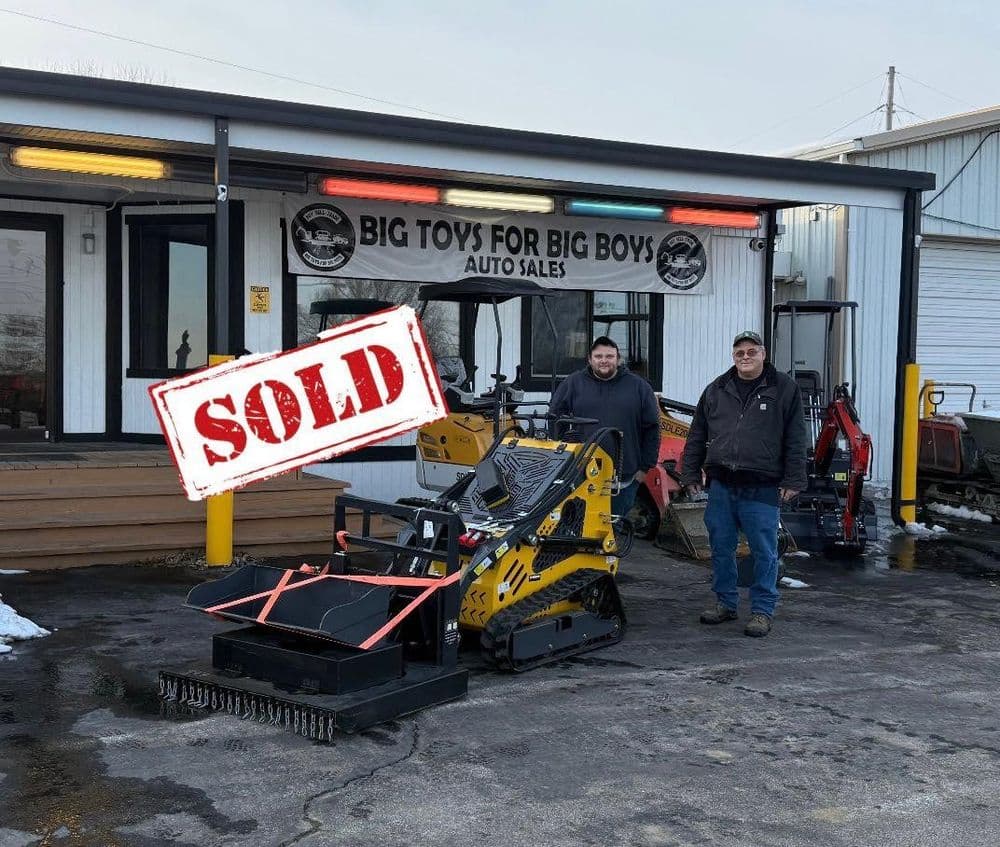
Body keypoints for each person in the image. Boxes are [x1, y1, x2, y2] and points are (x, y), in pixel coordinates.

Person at [680, 330, 807, 637]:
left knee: (764, 551)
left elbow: (796, 438)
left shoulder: (784, 389)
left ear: (763, 354)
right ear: (733, 357)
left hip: (762, 486)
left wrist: (793, 478)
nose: (746, 357)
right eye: (740, 353)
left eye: (752, 351)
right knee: (721, 548)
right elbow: (697, 433)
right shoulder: (717, 389)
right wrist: (690, 473)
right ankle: (725, 602)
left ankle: (763, 611)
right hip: (722, 485)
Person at [550, 336, 660, 518]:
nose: (603, 360)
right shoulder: (574, 383)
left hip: (623, 477)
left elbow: (652, 428)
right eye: (598, 356)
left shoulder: (639, 387)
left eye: (609, 356)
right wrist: (561, 451)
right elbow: (554, 417)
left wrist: (644, 469)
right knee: (579, 528)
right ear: (590, 359)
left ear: (618, 359)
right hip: (581, 473)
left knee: (613, 531)